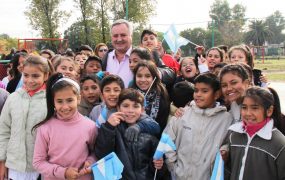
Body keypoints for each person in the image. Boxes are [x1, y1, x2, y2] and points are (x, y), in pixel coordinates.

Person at [164, 72, 233, 180]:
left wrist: (225, 151)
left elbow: (229, 144)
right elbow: (167, 140)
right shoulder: (183, 114)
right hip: (180, 176)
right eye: (196, 90)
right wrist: (174, 168)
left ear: (216, 94)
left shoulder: (226, 119)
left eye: (204, 91)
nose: (198, 94)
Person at [32, 73, 97, 180]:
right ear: (53, 102)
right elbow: (38, 162)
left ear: (79, 98)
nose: (65, 106)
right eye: (59, 101)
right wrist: (63, 172)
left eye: (70, 100)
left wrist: (90, 161)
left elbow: (95, 152)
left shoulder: (90, 126)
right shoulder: (45, 128)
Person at [0, 55, 50, 180]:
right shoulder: (13, 98)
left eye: (36, 76)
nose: (30, 80)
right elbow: (4, 131)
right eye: (26, 75)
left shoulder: (51, 100)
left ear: (46, 75)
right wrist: (2, 160)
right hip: (14, 165)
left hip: (41, 166)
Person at [94, 88, 163, 179]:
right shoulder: (112, 128)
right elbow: (102, 154)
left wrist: (159, 164)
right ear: (118, 108)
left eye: (135, 106)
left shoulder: (149, 130)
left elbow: (156, 164)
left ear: (142, 109)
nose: (130, 110)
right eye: (126, 106)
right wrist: (108, 127)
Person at [223, 87, 285, 180]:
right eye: (244, 107)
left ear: (269, 111)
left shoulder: (279, 143)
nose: (248, 113)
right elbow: (228, 170)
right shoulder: (234, 135)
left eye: (255, 108)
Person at [132, 61, 170, 134]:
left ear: (154, 77)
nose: (143, 80)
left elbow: (162, 125)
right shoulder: (130, 93)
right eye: (139, 76)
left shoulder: (162, 95)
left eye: (147, 76)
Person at [101, 19, 134, 88]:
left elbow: (160, 72)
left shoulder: (141, 56)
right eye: (115, 36)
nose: (119, 39)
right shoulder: (105, 59)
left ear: (131, 36)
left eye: (123, 35)